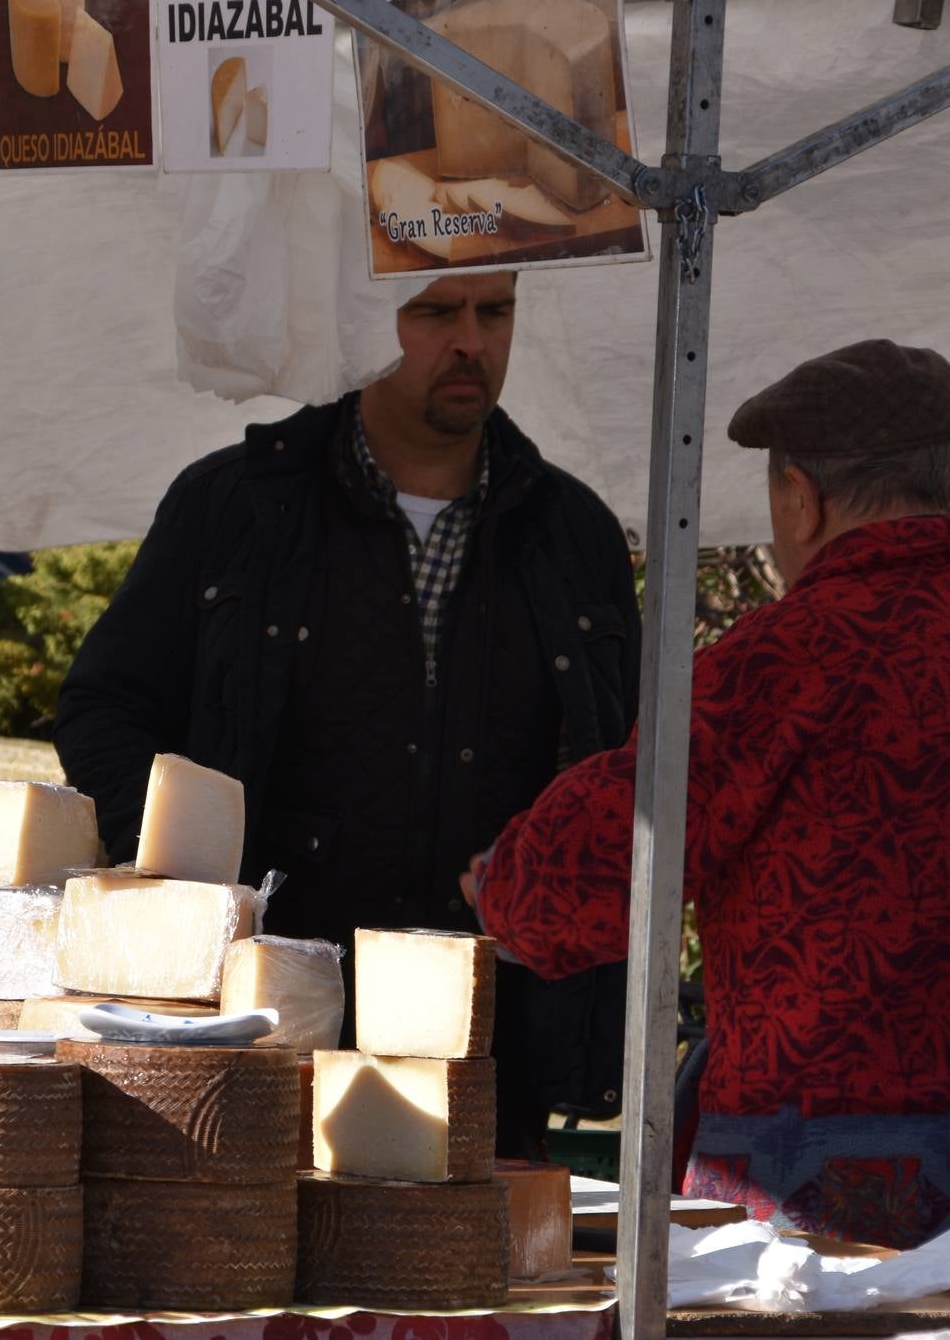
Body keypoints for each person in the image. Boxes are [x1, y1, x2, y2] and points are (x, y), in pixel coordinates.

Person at [466, 339, 950, 1279]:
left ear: (800, 499)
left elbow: (572, 882)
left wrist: (498, 880)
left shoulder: (777, 661)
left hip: (802, 1182)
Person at [55, 272, 641, 1158]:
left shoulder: (574, 532)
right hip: (258, 1030)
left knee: (469, 1289)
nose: (471, 343)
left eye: (495, 312)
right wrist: (187, 888)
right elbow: (103, 708)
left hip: (493, 1039)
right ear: (364, 325)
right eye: (436, 312)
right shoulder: (237, 503)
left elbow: (626, 768)